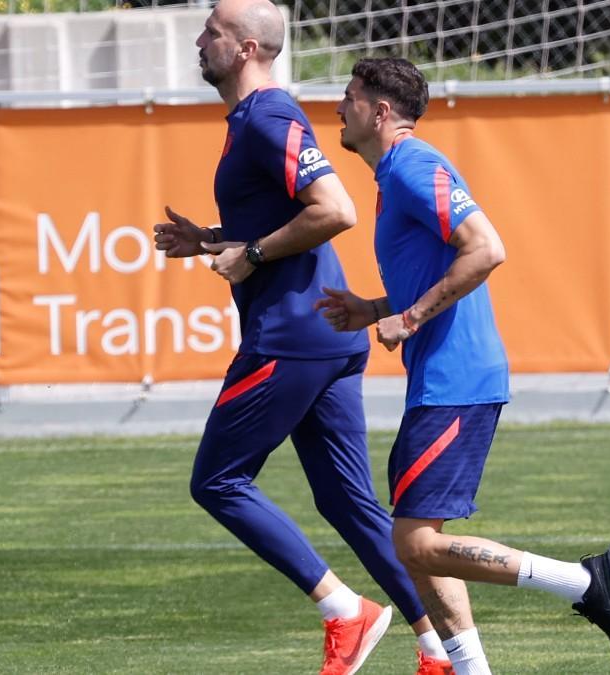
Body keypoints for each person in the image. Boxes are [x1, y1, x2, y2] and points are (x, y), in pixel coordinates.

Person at [153, 2, 452, 674]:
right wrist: (211, 239)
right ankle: (442, 649)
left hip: (290, 338)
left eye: (212, 32)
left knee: (218, 481)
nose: (200, 40)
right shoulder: (252, 119)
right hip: (322, 335)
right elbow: (285, 217)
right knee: (347, 502)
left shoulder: (268, 117)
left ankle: (345, 608)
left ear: (246, 48)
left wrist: (253, 254)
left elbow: (335, 210)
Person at [315, 56, 610, 674]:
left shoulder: (413, 164)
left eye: (349, 97)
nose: (339, 108)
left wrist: (408, 320)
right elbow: (437, 270)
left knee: (413, 542)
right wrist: (374, 309)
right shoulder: (396, 174)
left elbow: (486, 248)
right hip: (440, 382)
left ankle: (583, 582)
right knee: (417, 546)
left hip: (455, 381)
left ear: (380, 112)